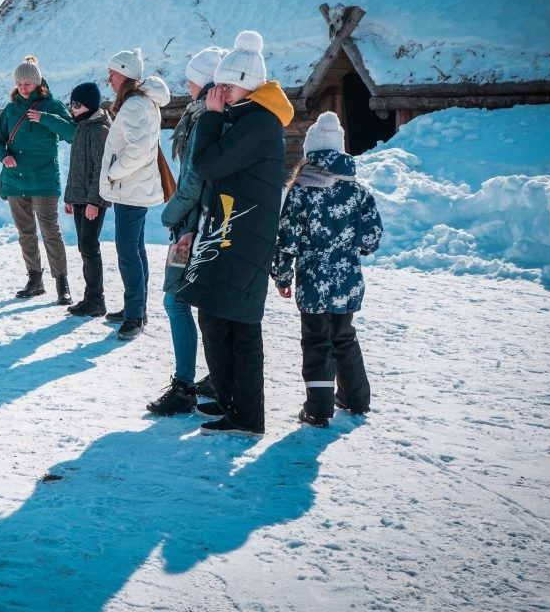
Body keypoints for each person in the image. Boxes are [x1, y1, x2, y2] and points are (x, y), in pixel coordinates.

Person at [175, 30, 294, 435]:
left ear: (245, 85)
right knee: (214, 315)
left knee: (240, 325)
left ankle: (248, 416)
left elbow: (207, 165)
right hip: (226, 230)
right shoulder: (244, 118)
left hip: (241, 237)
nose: (219, 92)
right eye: (219, 84)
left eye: (227, 85)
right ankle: (229, 400)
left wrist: (209, 117)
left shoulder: (259, 123)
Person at [272, 111, 383, 427]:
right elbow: (373, 235)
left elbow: (287, 237)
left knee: (317, 340)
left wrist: (282, 275)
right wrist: (357, 247)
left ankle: (319, 409)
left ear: (310, 153)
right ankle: (356, 397)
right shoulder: (356, 189)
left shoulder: (302, 190)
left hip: (313, 281)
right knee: (344, 336)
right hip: (347, 280)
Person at [147, 46, 227, 415]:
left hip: (190, 225)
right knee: (204, 304)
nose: (187, 83)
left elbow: (194, 178)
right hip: (206, 221)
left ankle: (183, 387)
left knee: (175, 301)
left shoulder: (202, 119)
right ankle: (215, 375)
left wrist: (171, 214)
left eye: (192, 76)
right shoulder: (218, 115)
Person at [0, 56, 75, 304]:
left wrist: (45, 118)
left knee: (50, 232)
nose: (24, 87)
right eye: (20, 83)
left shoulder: (52, 105)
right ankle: (34, 279)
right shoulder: (10, 110)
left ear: (38, 83)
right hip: (15, 181)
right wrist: (3, 156)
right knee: (25, 232)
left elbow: (72, 133)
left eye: (28, 82)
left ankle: (62, 283)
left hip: (45, 180)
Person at [99, 47, 170, 341]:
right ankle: (135, 307)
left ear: (125, 74)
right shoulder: (139, 102)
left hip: (131, 188)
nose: (109, 80)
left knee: (129, 253)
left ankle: (134, 316)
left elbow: (139, 151)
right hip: (133, 188)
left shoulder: (134, 106)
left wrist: (114, 172)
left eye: (112, 74)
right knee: (135, 250)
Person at [61, 81, 112, 317]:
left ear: (90, 104)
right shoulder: (82, 127)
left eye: (77, 104)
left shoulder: (99, 130)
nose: (73, 108)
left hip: (93, 200)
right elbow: (76, 168)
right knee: (84, 247)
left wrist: (95, 201)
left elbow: (101, 169)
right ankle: (91, 297)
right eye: (71, 103)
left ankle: (95, 299)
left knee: (90, 247)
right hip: (81, 198)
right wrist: (70, 197)